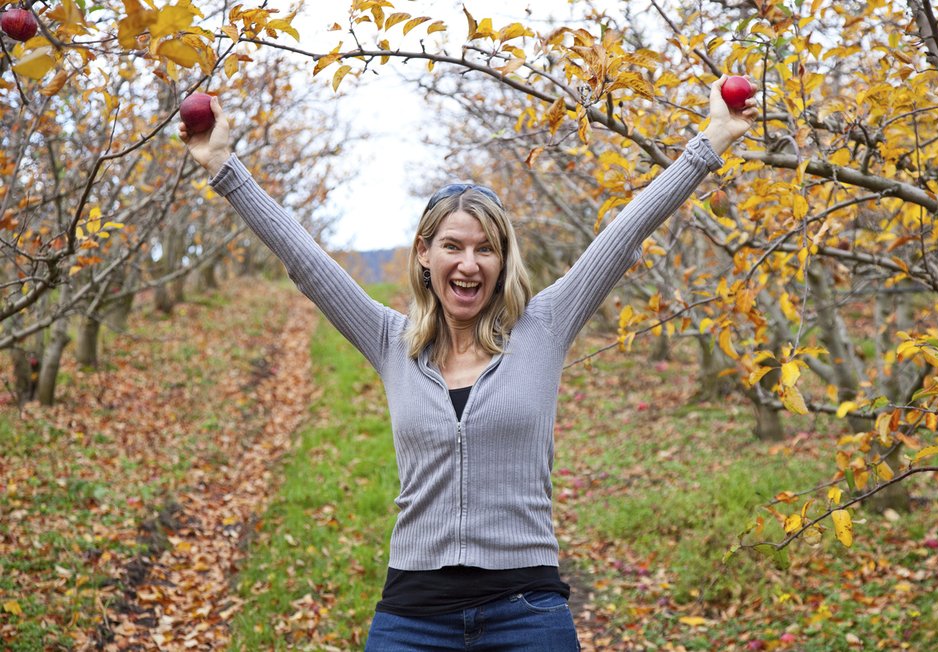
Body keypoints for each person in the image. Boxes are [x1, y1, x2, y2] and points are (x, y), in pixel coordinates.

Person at [181, 76, 757, 651]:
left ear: (503, 260)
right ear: (424, 254)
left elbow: (625, 232)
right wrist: (226, 169)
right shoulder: (390, 339)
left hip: (526, 609)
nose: (469, 263)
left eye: (486, 248)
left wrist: (710, 141)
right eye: (453, 245)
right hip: (413, 614)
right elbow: (306, 262)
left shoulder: (545, 326)